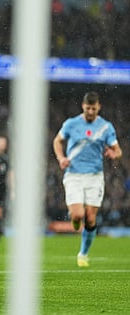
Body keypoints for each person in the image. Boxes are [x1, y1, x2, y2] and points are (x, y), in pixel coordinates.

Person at [53, 91, 122, 267]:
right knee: (78, 215)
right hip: (74, 175)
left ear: (99, 107)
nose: (90, 111)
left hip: (94, 176)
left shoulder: (105, 127)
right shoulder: (71, 124)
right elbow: (57, 141)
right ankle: (75, 219)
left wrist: (114, 154)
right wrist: (61, 158)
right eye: (87, 108)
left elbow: (118, 150)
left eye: (93, 108)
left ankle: (83, 253)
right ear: (83, 107)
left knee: (91, 219)